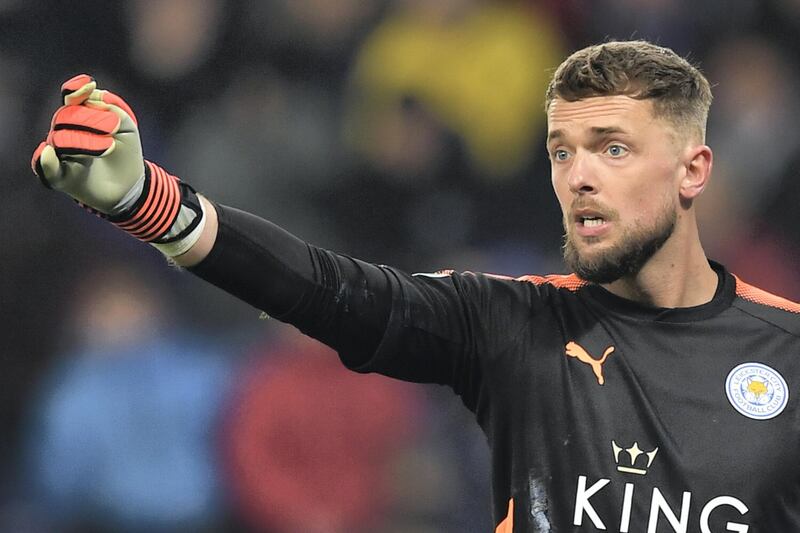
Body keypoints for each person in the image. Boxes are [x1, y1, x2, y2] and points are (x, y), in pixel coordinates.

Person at [30, 40, 800, 532]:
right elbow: (330, 291)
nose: (582, 177)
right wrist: (150, 204)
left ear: (694, 170)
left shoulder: (787, 353)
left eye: (613, 148)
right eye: (563, 152)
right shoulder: (517, 321)